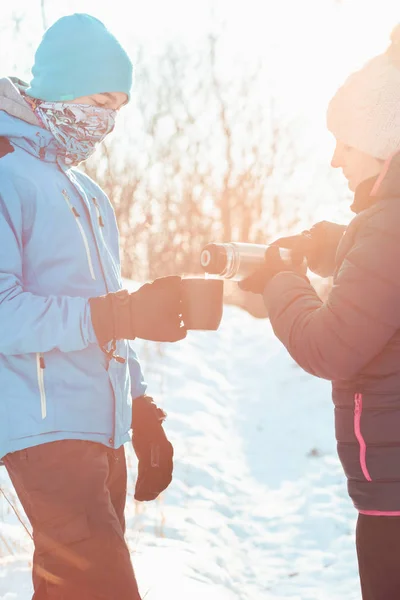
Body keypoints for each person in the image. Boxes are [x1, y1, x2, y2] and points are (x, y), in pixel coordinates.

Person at [0, 13, 186, 600]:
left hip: (102, 431)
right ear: (57, 86)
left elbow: (110, 317)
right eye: (99, 99)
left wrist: (141, 408)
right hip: (43, 428)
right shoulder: (8, 176)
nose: (106, 120)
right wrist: (112, 316)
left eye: (118, 107)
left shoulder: (88, 193)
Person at [240, 24, 400, 600]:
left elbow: (330, 346)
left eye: (344, 142)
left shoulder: (389, 225)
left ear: (383, 143)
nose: (334, 159)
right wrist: (337, 244)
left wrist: (280, 279)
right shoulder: (383, 224)